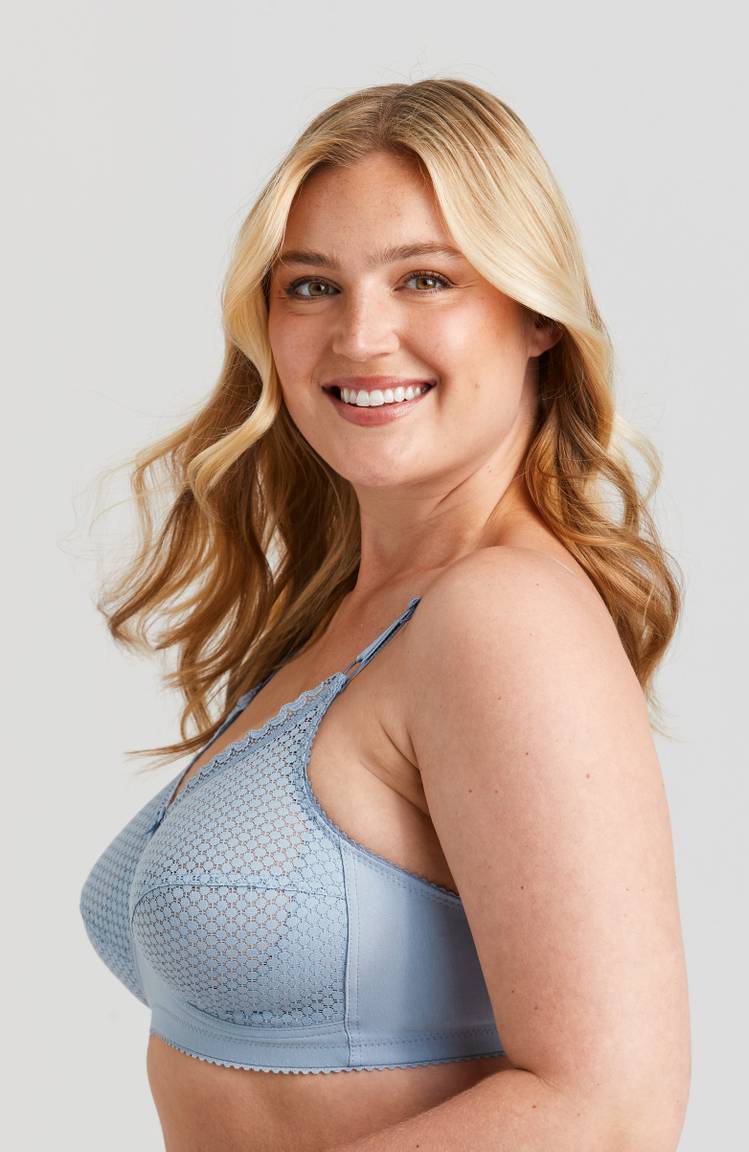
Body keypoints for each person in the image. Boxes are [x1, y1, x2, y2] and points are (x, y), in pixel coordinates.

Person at [79, 78, 691, 1152]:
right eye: (312, 286)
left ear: (536, 316)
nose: (362, 336)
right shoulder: (352, 610)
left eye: (426, 279)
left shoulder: (502, 616)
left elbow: (609, 1112)